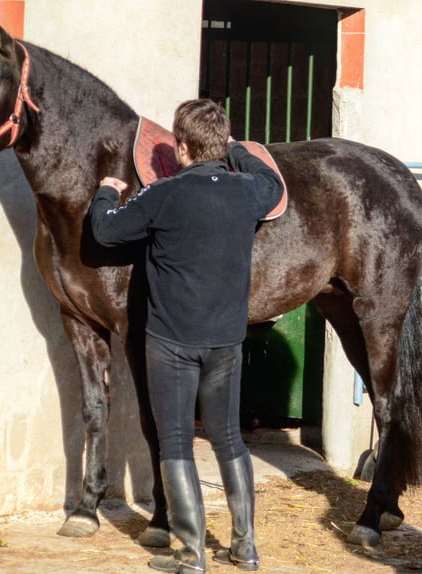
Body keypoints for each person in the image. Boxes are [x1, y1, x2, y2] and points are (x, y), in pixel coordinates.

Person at [88, 99, 283, 573]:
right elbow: (274, 184)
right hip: (226, 341)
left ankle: (191, 554)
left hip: (172, 342)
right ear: (221, 144)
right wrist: (236, 152)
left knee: (176, 443)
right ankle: (245, 548)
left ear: (180, 146)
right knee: (229, 441)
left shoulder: (164, 194)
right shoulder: (248, 192)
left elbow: (104, 233)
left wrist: (106, 192)